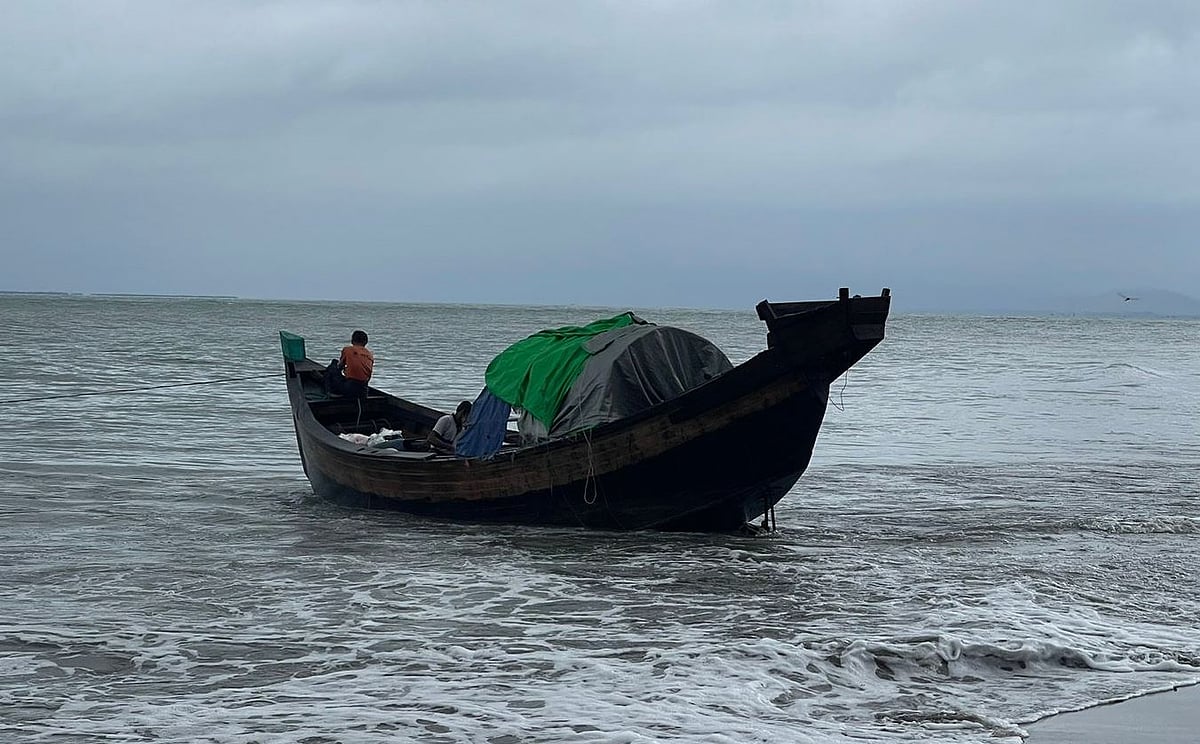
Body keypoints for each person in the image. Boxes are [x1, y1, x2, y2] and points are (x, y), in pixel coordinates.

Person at [325, 330, 374, 398]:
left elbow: (339, 367)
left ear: (352, 341)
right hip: (364, 391)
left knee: (333, 364)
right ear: (366, 342)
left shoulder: (347, 350)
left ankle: (329, 392)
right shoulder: (370, 355)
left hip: (349, 389)